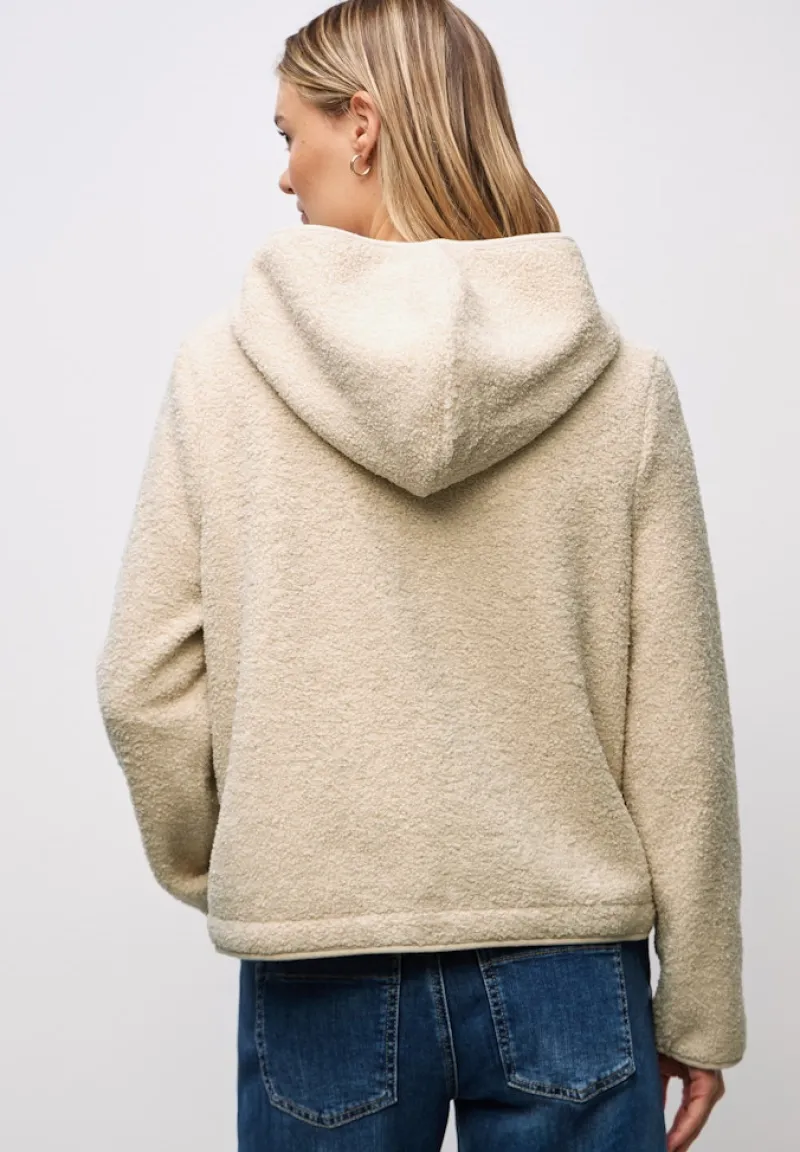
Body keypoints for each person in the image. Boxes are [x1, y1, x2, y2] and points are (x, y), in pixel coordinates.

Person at [95, 1, 746, 1150]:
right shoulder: (621, 384)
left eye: (289, 133)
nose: (281, 173)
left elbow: (143, 685)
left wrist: (252, 865)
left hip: (323, 950)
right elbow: (674, 727)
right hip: (564, 959)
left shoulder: (221, 371)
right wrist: (697, 1002)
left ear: (362, 125)